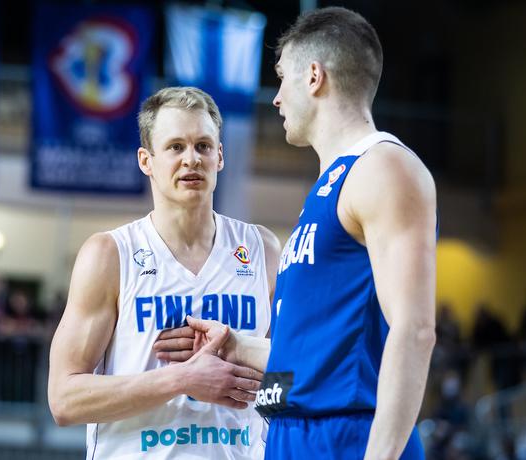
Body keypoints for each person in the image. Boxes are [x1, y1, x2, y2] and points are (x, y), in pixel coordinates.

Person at [158, 7, 437, 459]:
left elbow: (416, 329)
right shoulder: (330, 188)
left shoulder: (384, 167)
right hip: (294, 432)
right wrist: (238, 346)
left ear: (313, 77)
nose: (276, 97)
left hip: (345, 437)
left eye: (282, 77)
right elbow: (320, 361)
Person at [48, 87, 280, 459]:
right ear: (146, 160)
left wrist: (246, 360)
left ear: (220, 156)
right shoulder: (110, 254)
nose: (192, 159)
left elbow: (290, 380)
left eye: (204, 146)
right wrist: (182, 379)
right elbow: (63, 398)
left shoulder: (262, 250)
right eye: (175, 147)